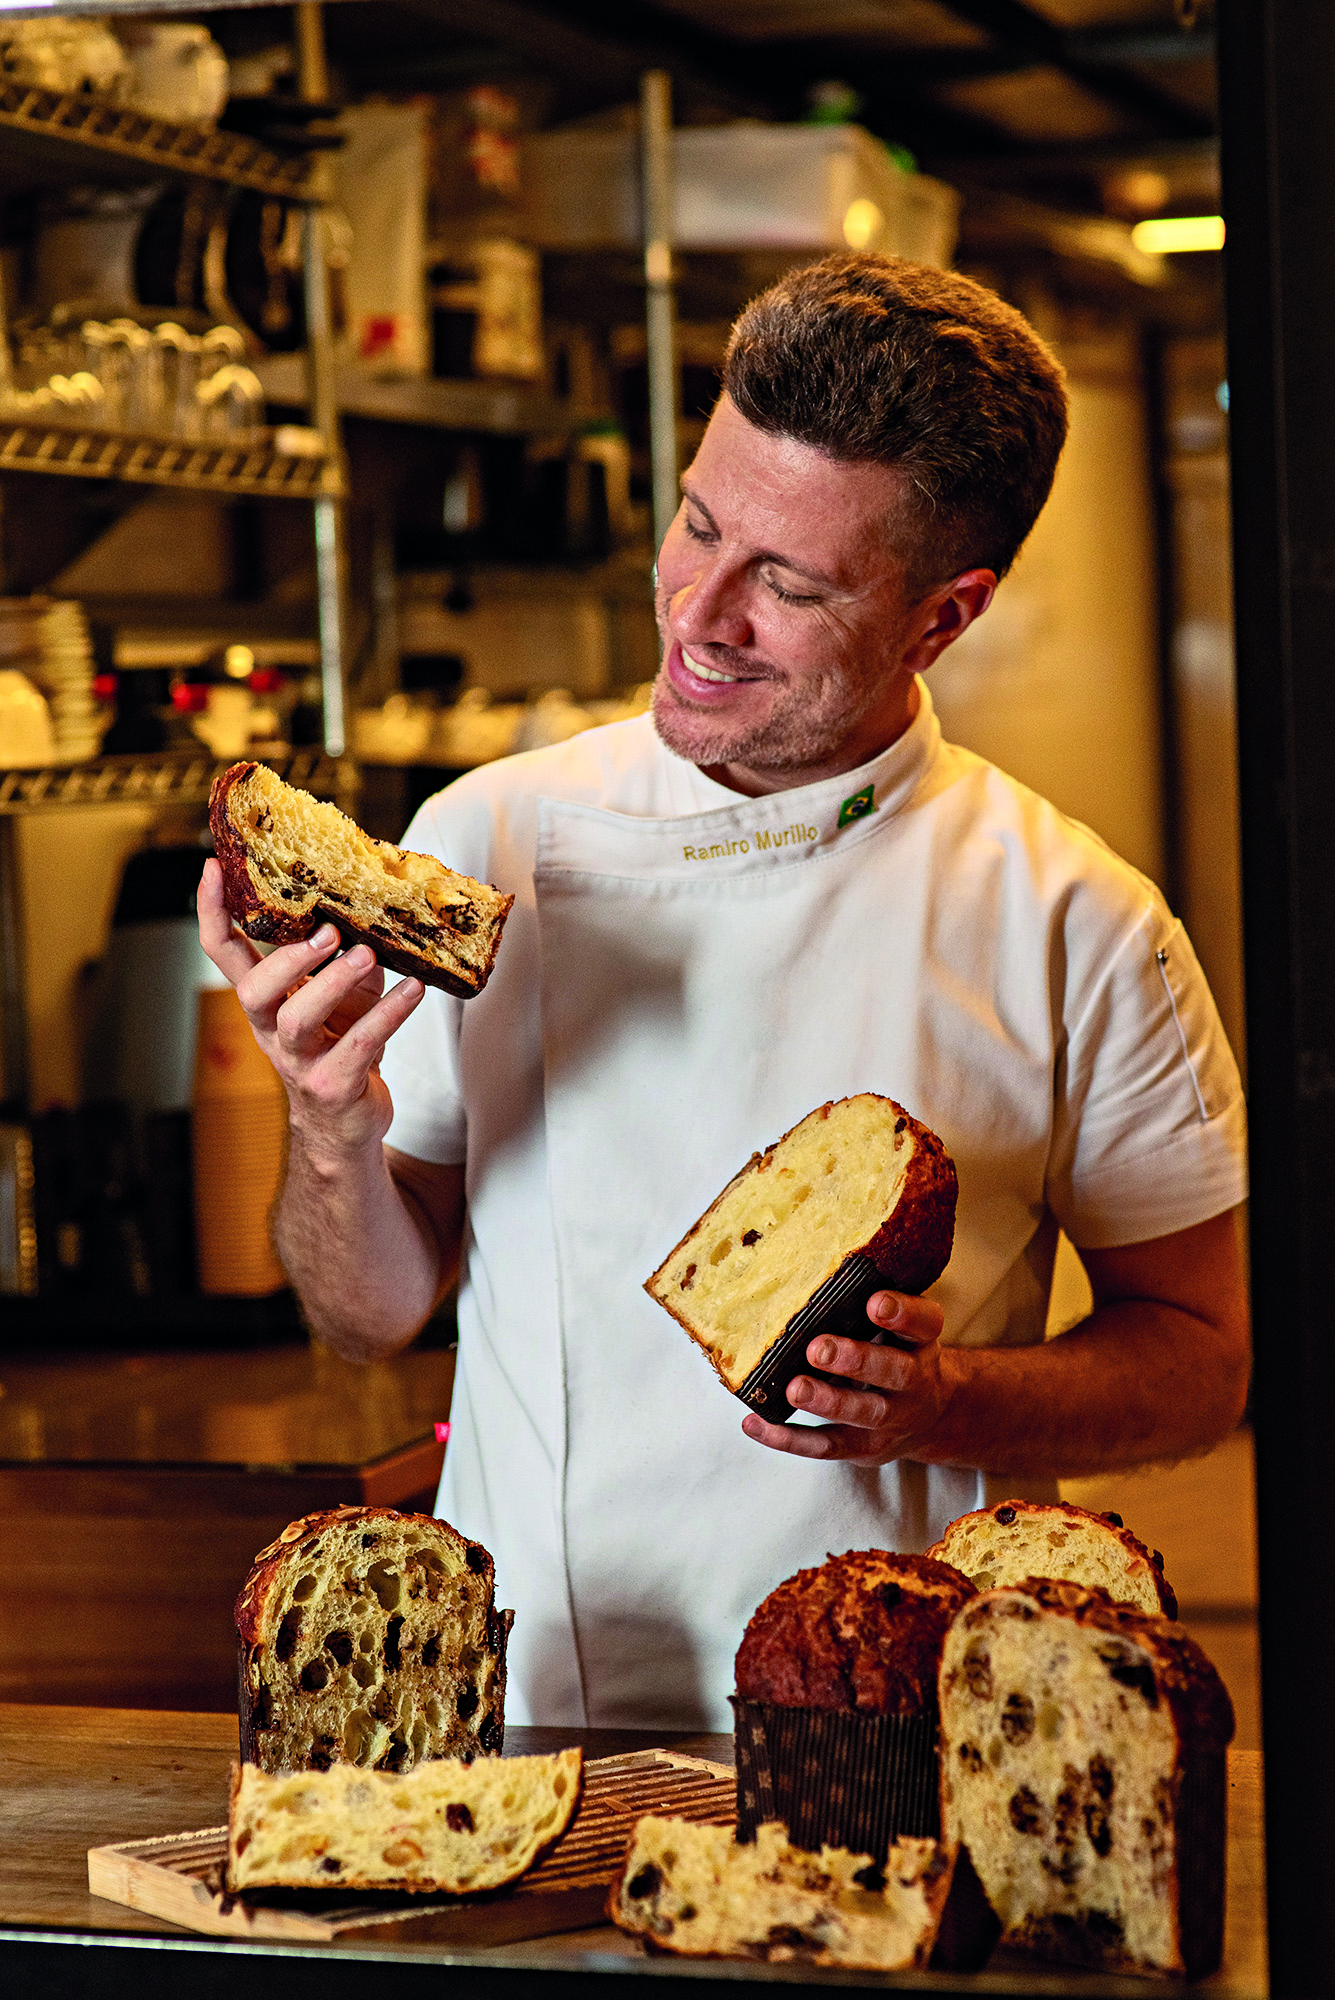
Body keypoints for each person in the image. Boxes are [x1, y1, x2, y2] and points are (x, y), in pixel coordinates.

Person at [199, 254, 1249, 1731]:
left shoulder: (1074, 918)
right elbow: (372, 1311)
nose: (698, 612)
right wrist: (325, 1121)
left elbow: (1199, 1364)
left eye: (790, 584)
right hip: (526, 1705)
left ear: (944, 617)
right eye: (698, 524)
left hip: (899, 1721)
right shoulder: (482, 841)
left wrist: (952, 1406)